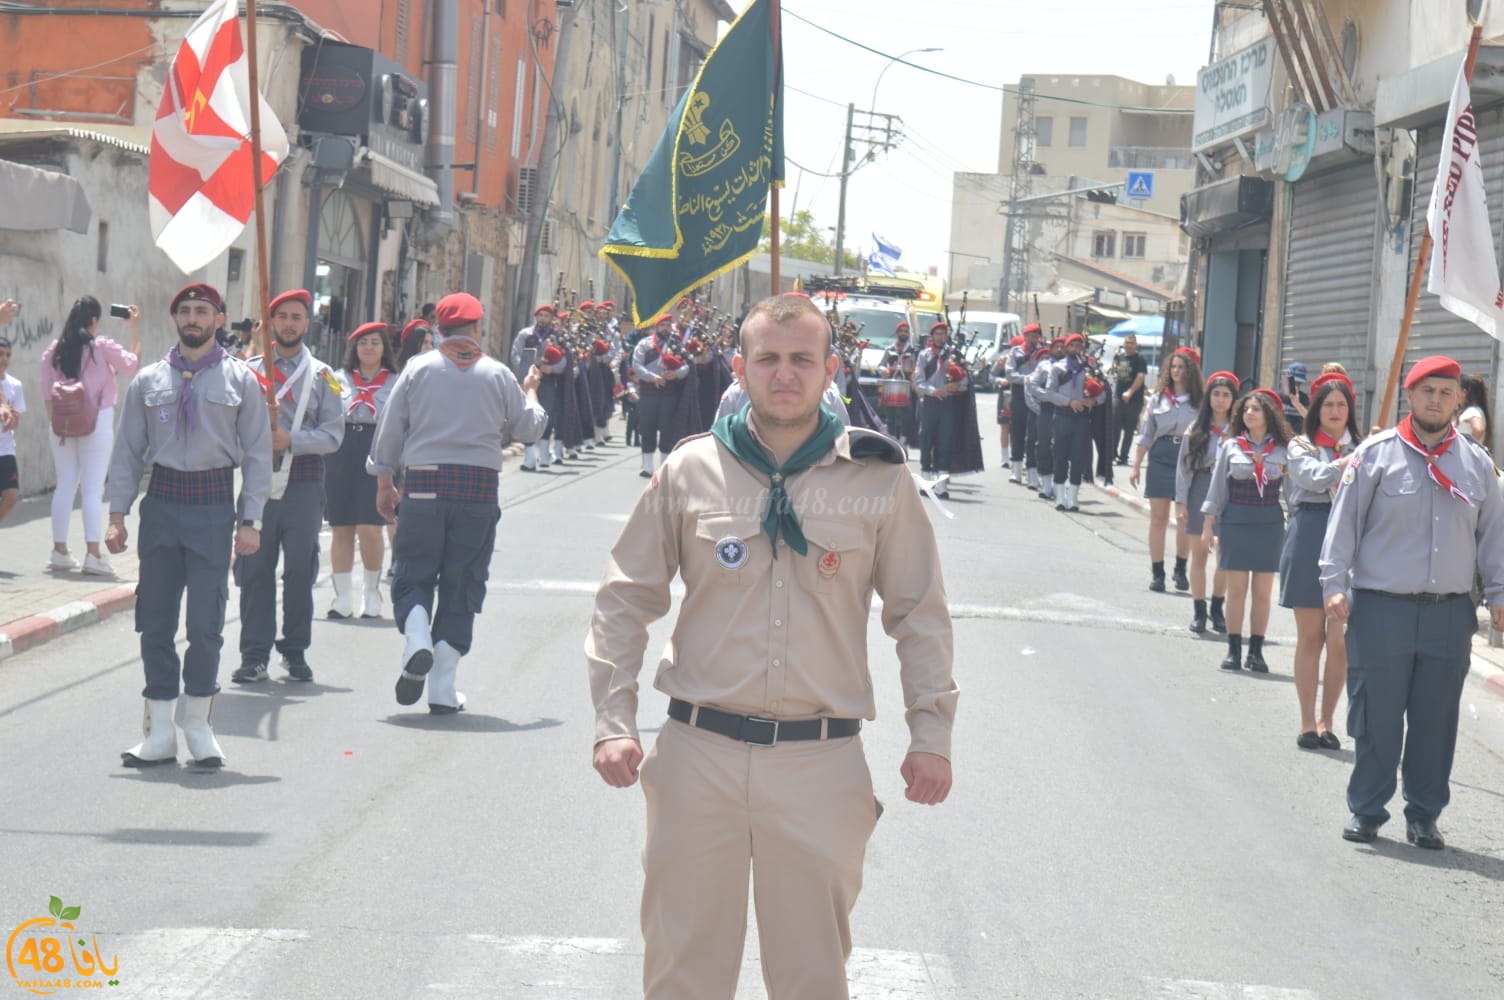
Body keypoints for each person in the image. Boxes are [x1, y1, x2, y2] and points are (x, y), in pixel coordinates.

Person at [586, 293, 957, 998]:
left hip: (820, 762)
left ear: (830, 370)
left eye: (801, 359)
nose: (784, 373)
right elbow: (625, 596)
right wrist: (613, 721)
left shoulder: (878, 479)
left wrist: (931, 732)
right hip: (701, 755)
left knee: (812, 978)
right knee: (682, 975)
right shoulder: (693, 470)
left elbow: (919, 614)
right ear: (740, 367)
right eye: (768, 359)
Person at [1323, 355, 1504, 850]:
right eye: (1428, 391)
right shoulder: (1376, 454)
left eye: (1447, 392)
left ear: (1459, 400)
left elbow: (1494, 536)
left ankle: (1424, 813)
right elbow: (1344, 524)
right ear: (1410, 395)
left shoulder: (1476, 463)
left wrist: (1499, 593)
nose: (1437, 400)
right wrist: (1334, 584)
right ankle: (1367, 809)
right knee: (1377, 715)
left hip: (1449, 611)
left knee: (1435, 719)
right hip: (1383, 608)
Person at [105, 283, 272, 768]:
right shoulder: (149, 380)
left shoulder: (240, 381)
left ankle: (197, 721)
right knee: (154, 621)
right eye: (186, 310)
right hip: (161, 506)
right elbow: (128, 452)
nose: (193, 318)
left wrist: (251, 519)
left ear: (219, 319)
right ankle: (159, 732)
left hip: (213, 507)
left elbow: (259, 454)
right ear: (175, 317)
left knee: (206, 623)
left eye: (203, 311)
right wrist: (117, 516)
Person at [368, 292, 546, 714]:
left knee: (412, 572)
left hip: (425, 483)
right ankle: (443, 689)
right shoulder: (498, 374)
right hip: (479, 488)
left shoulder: (418, 368)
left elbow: (390, 428)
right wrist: (533, 393)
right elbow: (528, 430)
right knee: (463, 581)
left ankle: (417, 640)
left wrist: (384, 481)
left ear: (438, 329)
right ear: (478, 328)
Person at [231, 290, 345, 684]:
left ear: (306, 323)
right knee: (255, 566)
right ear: (271, 322)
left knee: (300, 568)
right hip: (258, 482)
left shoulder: (324, 375)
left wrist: (291, 441)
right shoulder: (248, 371)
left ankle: (294, 650)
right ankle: (254, 654)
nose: (289, 324)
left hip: (304, 481)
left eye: (297, 317)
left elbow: (333, 435)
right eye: (282, 317)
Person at [1281, 372, 1362, 750]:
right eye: (1327, 404)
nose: (1334, 411)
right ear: (1315, 409)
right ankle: (1305, 722)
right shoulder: (1302, 445)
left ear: (1350, 410)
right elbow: (1311, 480)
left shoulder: (1365, 445)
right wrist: (1348, 461)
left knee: (1339, 639)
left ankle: (1327, 720)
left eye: (1341, 404)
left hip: (1350, 539)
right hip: (1311, 530)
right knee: (1310, 635)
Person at [40, 296, 141, 577]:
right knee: (93, 489)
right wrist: (134, 328)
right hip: (96, 422)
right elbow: (132, 366)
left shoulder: (53, 351)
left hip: (61, 425)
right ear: (94, 320)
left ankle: (59, 551)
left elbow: (47, 396)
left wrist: (62, 424)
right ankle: (93, 554)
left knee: (65, 485)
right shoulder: (101, 347)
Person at [1201, 387, 1292, 673]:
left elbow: (1292, 493)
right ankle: (1233, 649)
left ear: (1269, 415)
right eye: (1247, 409)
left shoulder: (1282, 450)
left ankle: (1256, 651)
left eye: (1256, 409)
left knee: (1263, 592)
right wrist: (1208, 524)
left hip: (1269, 523)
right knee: (1237, 590)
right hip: (1235, 521)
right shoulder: (1230, 446)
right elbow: (1217, 489)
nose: (1249, 413)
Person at [327, 322, 397, 620]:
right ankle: (342, 596)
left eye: (375, 342)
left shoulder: (396, 381)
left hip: (376, 447)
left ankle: (371, 591)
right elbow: (325, 409)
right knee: (341, 525)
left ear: (384, 348)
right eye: (363, 342)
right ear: (354, 349)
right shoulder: (335, 379)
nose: (368, 347)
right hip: (341, 449)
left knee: (370, 525)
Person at [1130, 347, 1204, 592]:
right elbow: (1146, 435)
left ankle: (1180, 569)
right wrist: (1136, 466)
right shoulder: (1157, 399)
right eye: (1173, 367)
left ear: (1190, 371)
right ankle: (1157, 571)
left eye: (1181, 367)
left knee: (1184, 518)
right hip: (1161, 457)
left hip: (1187, 459)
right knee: (1158, 518)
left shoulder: (1199, 402)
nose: (1176, 371)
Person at [1177, 371, 1237, 635]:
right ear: (1208, 397)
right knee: (1199, 555)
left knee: (1225, 557)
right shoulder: (1196, 429)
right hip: (1200, 489)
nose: (1220, 400)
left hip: (1231, 493)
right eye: (1216, 394)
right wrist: (1181, 502)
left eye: (1226, 395)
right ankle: (1199, 610)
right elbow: (1184, 469)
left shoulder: (1239, 431)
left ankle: (1217, 605)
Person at [1041, 332, 1104, 511]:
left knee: (1078, 458)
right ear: (1067, 348)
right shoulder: (1058, 368)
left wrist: (1093, 401)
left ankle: (1073, 497)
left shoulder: (1089, 368)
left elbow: (1104, 392)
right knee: (1060, 456)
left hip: (1081, 419)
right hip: (1062, 416)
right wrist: (1069, 401)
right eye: (1072, 346)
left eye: (1079, 346)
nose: (1075, 349)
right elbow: (1049, 392)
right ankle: (1060, 496)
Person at [630, 313, 691, 478]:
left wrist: (676, 374)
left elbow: (687, 366)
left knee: (667, 429)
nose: (665, 328)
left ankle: (665, 466)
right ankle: (647, 466)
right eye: (662, 325)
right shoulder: (644, 344)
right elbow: (636, 366)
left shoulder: (678, 344)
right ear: (656, 327)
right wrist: (653, 377)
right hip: (649, 393)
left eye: (668, 325)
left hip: (669, 394)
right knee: (647, 428)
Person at [1002, 323, 1043, 482]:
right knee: (1017, 432)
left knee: (1033, 434)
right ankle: (1016, 469)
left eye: (1036, 336)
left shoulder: (1042, 352)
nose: (1033, 339)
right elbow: (1010, 374)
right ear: (1024, 336)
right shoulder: (1016, 352)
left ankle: (1032, 471)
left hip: (1036, 395)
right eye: (1030, 336)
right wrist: (1028, 379)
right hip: (1019, 394)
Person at [878, 320, 918, 450]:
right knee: (890, 416)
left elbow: (919, 368)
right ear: (897, 333)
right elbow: (881, 365)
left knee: (906, 416)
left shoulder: (914, 350)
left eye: (906, 331)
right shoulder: (890, 349)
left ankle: (904, 439)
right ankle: (890, 439)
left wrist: (913, 372)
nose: (903, 333)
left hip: (907, 385)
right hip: (892, 385)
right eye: (901, 331)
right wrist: (883, 370)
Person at [1112, 332, 1149, 464]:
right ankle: (1112, 454)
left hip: (1134, 400)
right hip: (1118, 397)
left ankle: (1123, 457)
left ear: (1136, 345)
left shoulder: (1140, 359)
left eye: (1131, 343)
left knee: (1129, 429)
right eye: (1127, 343)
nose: (1129, 345)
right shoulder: (1119, 357)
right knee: (1114, 427)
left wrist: (1130, 392)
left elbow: (1140, 377)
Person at [0, 334, 25, 523]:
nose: (4, 359)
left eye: (8, 355)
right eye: (0, 354)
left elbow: (17, 418)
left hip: (6, 449)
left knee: (12, 496)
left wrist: (12, 420)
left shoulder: (15, 385)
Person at [1456, 372, 1490, 448]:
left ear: (1464, 392)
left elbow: (1479, 429)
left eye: (1457, 389)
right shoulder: (1469, 410)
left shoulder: (1472, 411)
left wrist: (1468, 448)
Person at [1280, 361, 1310, 429]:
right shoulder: (1277, 397)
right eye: (1293, 382)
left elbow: (1311, 421)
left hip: (1297, 438)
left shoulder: (1305, 400)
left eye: (1299, 383)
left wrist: (1297, 404)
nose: (1296, 385)